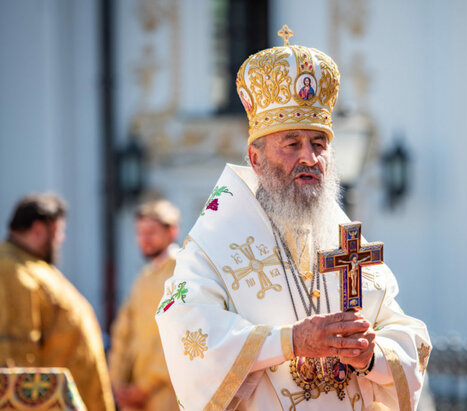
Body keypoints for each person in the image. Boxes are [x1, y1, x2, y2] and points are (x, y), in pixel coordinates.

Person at [156, 26, 431, 410]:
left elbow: (407, 336)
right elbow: (188, 330)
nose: (309, 157)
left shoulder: (348, 245)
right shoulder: (213, 246)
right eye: (291, 144)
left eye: (318, 144)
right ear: (256, 159)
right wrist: (290, 341)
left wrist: (371, 355)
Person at [0, 193, 115, 410]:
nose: (61, 239)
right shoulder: (10, 270)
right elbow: (13, 352)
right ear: (38, 230)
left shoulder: (30, 265)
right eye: (59, 231)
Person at [109, 200, 181, 410]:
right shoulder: (143, 276)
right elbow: (123, 330)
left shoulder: (183, 270)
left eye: (151, 232)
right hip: (134, 393)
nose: (144, 239)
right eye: (140, 233)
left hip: (168, 390)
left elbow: (179, 332)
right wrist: (118, 382)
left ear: (172, 231)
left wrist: (145, 386)